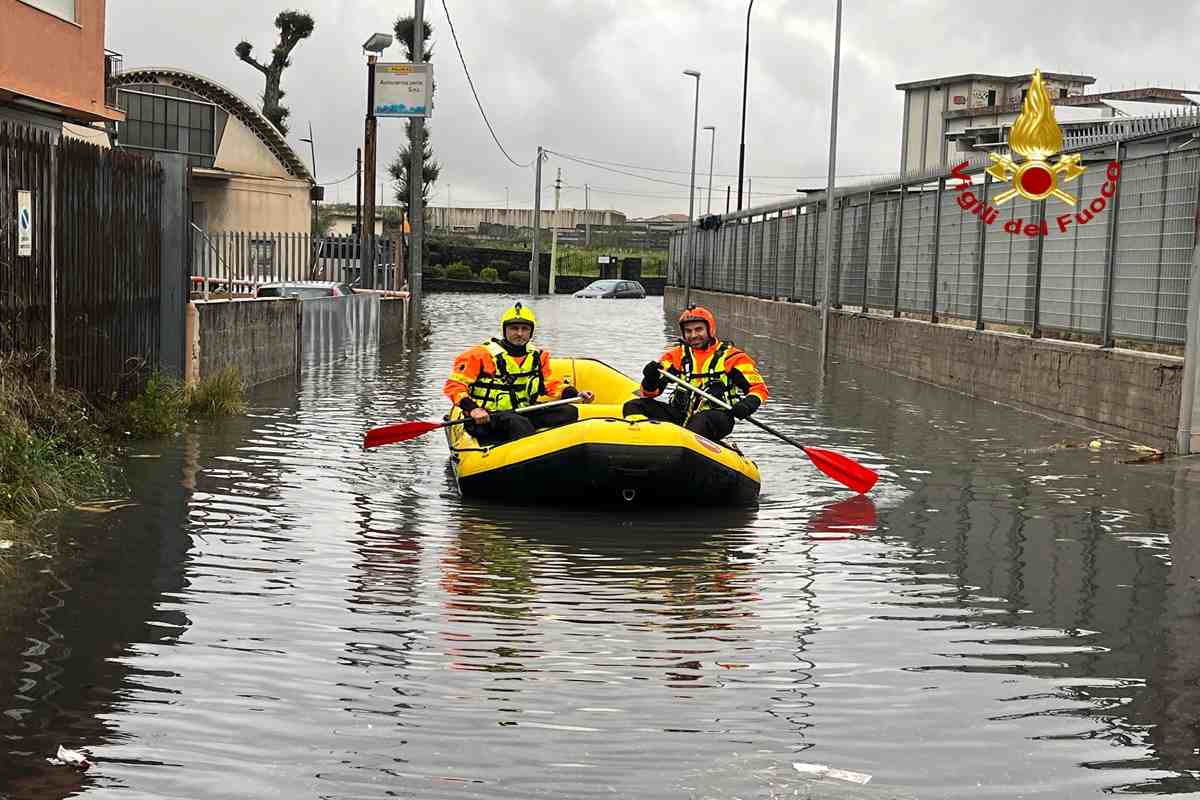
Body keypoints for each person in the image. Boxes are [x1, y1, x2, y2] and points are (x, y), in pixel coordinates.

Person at [443, 302, 593, 446]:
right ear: (505, 330)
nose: (519, 333)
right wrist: (473, 409)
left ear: (531, 332)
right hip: (487, 417)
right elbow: (454, 386)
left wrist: (576, 394)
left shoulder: (538, 356)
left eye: (524, 329)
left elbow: (549, 385)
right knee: (518, 424)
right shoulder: (480, 355)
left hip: (523, 410)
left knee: (568, 412)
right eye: (514, 328)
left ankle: (555, 449)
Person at [623, 305, 767, 442]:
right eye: (688, 331)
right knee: (633, 406)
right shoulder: (676, 356)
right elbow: (650, 393)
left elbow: (759, 389)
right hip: (681, 413)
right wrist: (650, 378)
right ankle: (641, 441)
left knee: (699, 422)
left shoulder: (733, 357)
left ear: (710, 330)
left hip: (717, 416)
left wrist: (746, 406)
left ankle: (688, 448)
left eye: (699, 330)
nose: (693, 335)